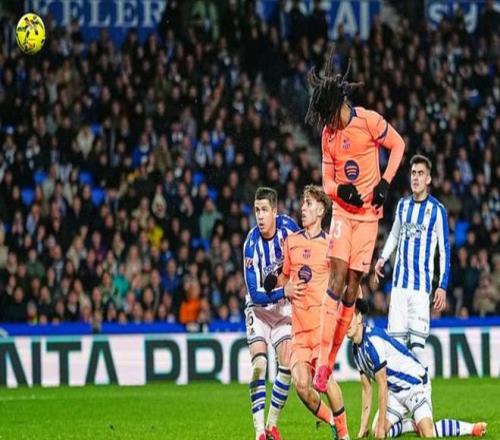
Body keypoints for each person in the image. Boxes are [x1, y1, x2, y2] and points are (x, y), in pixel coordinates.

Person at [305, 51, 405, 392]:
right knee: (335, 277)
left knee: (351, 285)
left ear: (338, 106)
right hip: (343, 214)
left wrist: (385, 183)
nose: (327, 124)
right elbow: (327, 182)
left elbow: (398, 145)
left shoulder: (368, 122)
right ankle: (322, 363)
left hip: (368, 219)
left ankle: (331, 357)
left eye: (328, 116)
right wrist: (339, 192)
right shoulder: (327, 136)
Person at [348, 298, 487, 439]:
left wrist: (381, 429)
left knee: (427, 433)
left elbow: (382, 385)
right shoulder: (355, 349)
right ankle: (410, 425)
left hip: (414, 384)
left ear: (359, 318)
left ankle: (471, 428)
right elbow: (367, 389)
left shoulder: (373, 341)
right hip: (394, 392)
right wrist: (363, 427)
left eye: (349, 318)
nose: (346, 324)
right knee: (377, 431)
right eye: (344, 319)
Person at [280, 185, 350, 440]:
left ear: (321, 210)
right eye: (303, 203)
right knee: (301, 385)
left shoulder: (331, 244)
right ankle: (332, 420)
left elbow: (346, 278)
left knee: (325, 380)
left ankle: (344, 434)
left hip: (322, 329)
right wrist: (284, 288)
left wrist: (353, 311)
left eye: (308, 204)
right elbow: (283, 278)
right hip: (299, 331)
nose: (303, 208)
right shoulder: (291, 242)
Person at [374, 154, 450, 366]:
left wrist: (442, 285)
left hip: (420, 290)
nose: (416, 178)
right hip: (399, 288)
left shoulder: (437, 210)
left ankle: (425, 388)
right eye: (413, 173)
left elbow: (444, 250)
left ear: (428, 179)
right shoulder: (403, 205)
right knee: (396, 351)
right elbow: (394, 234)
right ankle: (400, 391)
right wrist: (382, 258)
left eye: (420, 174)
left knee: (417, 350)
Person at [243, 187, 300, 440]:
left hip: (283, 307)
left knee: (286, 363)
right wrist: (283, 290)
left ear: (275, 211)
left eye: (265, 210)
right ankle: (259, 432)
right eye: (257, 210)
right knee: (260, 364)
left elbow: (303, 256)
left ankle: (271, 425)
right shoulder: (250, 245)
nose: (260, 215)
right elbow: (255, 294)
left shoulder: (289, 229)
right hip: (259, 309)